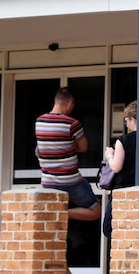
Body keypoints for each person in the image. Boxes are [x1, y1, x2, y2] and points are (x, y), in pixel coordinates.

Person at [35, 87, 102, 221]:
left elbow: (40, 149)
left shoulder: (39, 122)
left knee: (50, 220)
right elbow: (83, 147)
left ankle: (57, 213)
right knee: (96, 210)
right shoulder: (72, 124)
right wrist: (69, 146)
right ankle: (63, 212)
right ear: (70, 103)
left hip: (48, 181)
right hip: (71, 181)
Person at [102, 100, 138, 238]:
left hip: (121, 190)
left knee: (109, 228)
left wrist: (110, 156)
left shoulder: (123, 140)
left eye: (127, 120)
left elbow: (116, 167)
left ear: (133, 120)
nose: (126, 124)